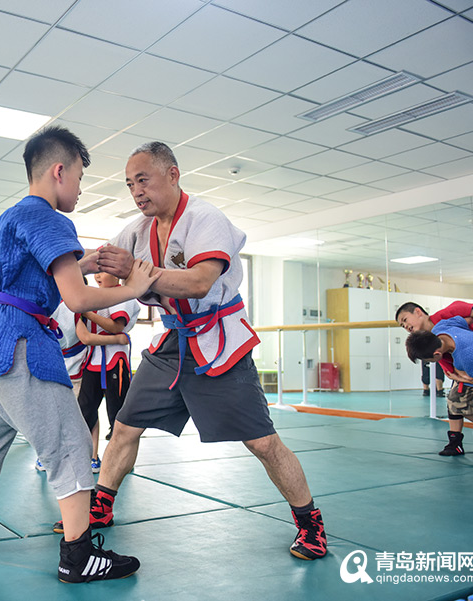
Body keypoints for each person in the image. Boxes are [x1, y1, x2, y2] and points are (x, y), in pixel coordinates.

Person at [53, 141, 328, 562]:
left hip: (219, 341)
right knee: (124, 427)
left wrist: (134, 272)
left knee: (263, 443)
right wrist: (57, 268)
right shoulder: (137, 231)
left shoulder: (205, 218)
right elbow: (97, 262)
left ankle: (310, 523)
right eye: (129, 184)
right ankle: (101, 504)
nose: (136, 191)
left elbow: (200, 282)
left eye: (143, 180)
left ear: (173, 174)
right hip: (172, 343)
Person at [0, 126, 157, 583]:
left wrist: (81, 262)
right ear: (59, 170)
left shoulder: (10, 216)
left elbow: (26, 276)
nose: (82, 188)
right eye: (80, 177)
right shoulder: (52, 219)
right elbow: (77, 300)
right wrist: (135, 288)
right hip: (18, 345)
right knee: (71, 444)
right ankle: (78, 555)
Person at [34, 295, 129, 472]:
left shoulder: (76, 306)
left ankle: (80, 456)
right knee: (79, 413)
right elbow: (86, 338)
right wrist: (117, 339)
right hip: (63, 365)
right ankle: (83, 456)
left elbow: (86, 337)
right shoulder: (56, 306)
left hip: (73, 365)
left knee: (83, 412)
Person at [396, 301, 473, 456]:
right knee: (454, 399)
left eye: (405, 320)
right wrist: (465, 378)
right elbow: (450, 371)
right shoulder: (429, 342)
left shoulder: (446, 317)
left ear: (418, 312)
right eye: (402, 325)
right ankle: (457, 442)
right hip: (469, 370)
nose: (405, 326)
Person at [406, 319, 473, 470]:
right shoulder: (442, 327)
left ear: (437, 354)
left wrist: (458, 377)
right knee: (455, 401)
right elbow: (464, 320)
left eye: (430, 360)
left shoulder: (465, 358)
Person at [76, 271, 139, 469]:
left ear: (117, 275)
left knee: (118, 415)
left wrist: (88, 313)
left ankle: (120, 462)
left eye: (104, 272)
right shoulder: (92, 295)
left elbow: (116, 327)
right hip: (92, 360)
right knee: (84, 411)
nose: (97, 276)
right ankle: (85, 457)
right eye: (96, 272)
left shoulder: (124, 295)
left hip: (115, 361)